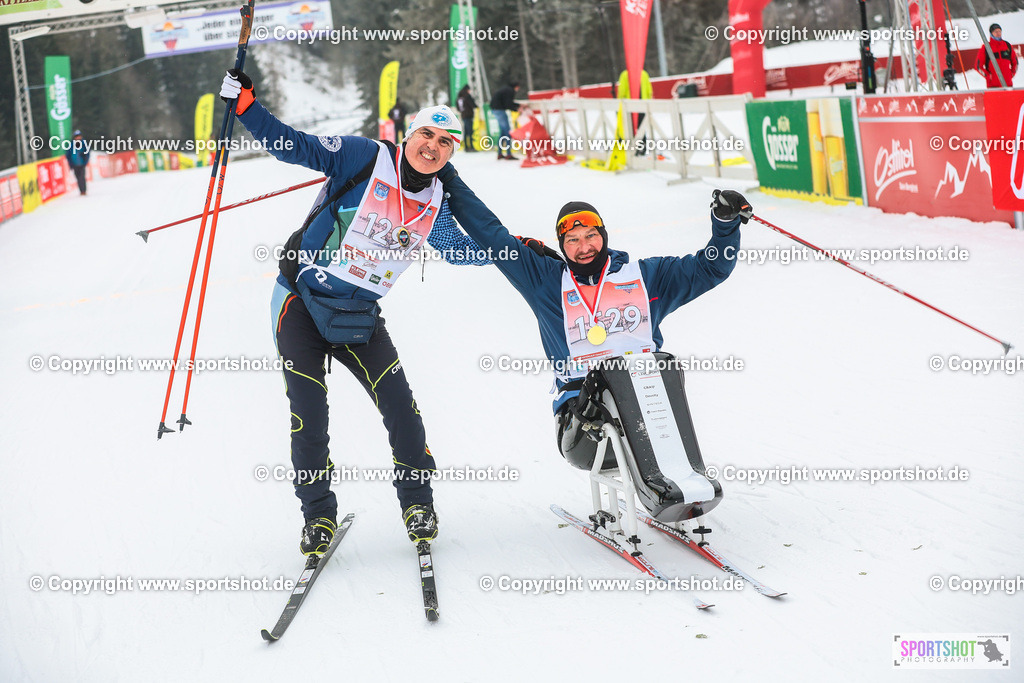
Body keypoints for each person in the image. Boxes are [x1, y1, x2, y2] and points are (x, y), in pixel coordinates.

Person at [219, 69, 490, 556]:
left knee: (403, 412)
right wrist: (245, 108)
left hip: (358, 316)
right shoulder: (365, 157)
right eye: (427, 133)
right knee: (309, 418)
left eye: (447, 142)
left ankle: (417, 503)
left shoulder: (436, 198)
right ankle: (317, 516)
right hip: (299, 304)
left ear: (451, 154)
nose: (434, 146)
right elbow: (292, 146)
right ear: (410, 134)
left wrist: (519, 251)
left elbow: (459, 249)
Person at [440, 165, 749, 490]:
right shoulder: (544, 281)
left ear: (603, 235)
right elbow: (490, 233)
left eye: (590, 235)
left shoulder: (645, 277)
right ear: (562, 244)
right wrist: (449, 178)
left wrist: (725, 225)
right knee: (612, 392)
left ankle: (685, 479)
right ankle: (659, 486)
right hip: (584, 422)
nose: (583, 246)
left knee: (663, 371)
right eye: (572, 240)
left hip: (651, 405)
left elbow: (711, 268)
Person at [976, 23, 1017, 88]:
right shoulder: (986, 47)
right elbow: (978, 66)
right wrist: (988, 76)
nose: (998, 33)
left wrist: (1012, 73)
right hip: (993, 86)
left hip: (1008, 84)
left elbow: (1015, 62)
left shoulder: (1007, 45)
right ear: (991, 33)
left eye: (999, 31)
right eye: (995, 32)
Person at [489, 81, 520, 160]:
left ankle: (500, 153)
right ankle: (508, 154)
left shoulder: (505, 89)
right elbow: (508, 104)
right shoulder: (510, 91)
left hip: (495, 109)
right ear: (516, 87)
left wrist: (517, 106)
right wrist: (517, 108)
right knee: (507, 132)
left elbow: (507, 103)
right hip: (500, 110)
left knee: (502, 133)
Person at [65, 130, 90, 196]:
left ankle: (83, 190)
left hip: (82, 163)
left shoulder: (84, 143)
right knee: (78, 177)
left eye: (79, 136)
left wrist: (85, 160)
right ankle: (81, 190)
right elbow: (68, 155)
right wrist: (70, 164)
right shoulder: (71, 144)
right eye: (77, 137)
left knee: (82, 177)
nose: (78, 138)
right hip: (74, 164)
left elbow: (87, 153)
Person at [456, 85, 476, 152]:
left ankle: (466, 147)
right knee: (470, 131)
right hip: (469, 115)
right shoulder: (467, 96)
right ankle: (471, 147)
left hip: (463, 116)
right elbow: (472, 104)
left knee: (466, 132)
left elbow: (458, 108)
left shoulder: (459, 98)